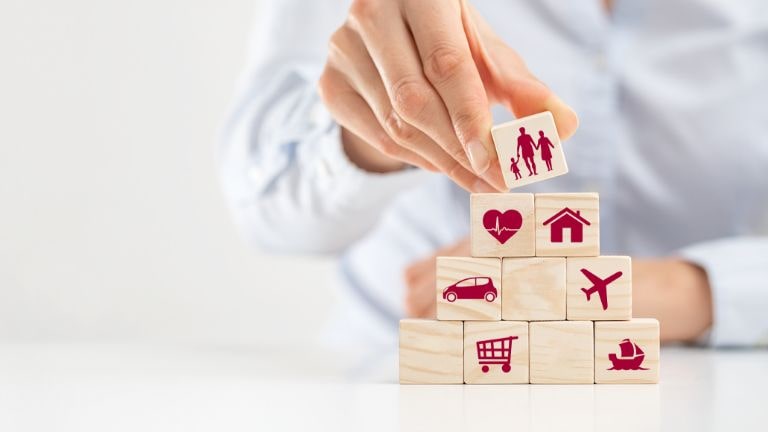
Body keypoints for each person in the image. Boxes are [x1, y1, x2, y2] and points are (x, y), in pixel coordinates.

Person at [218, 0, 768, 348]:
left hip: (713, 387)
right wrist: (385, 125)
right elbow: (263, 208)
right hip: (398, 376)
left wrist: (678, 291)